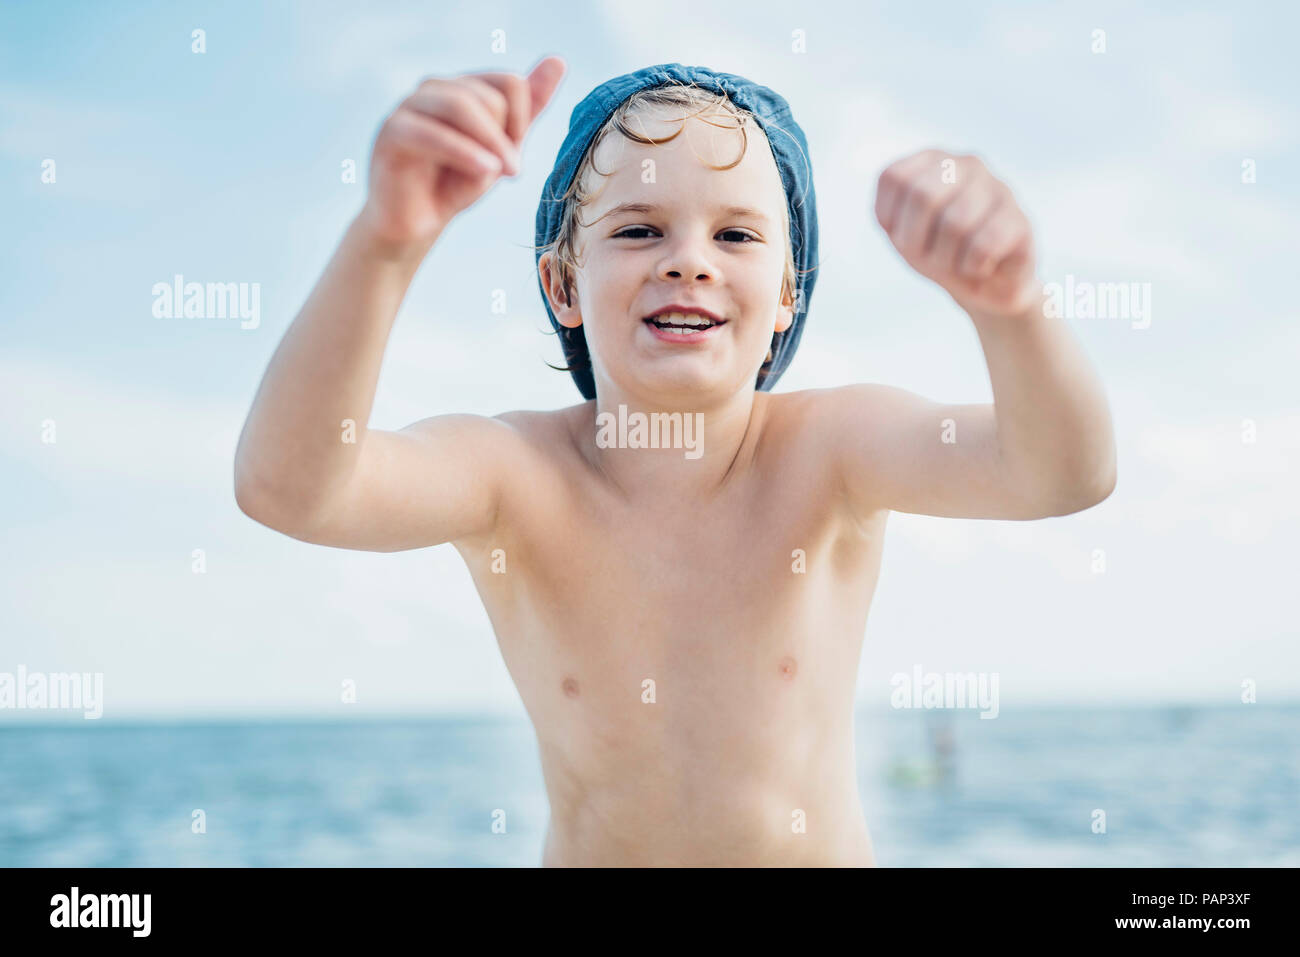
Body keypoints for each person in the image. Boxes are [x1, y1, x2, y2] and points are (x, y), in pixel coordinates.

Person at [233, 55, 1116, 866]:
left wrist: (1011, 309)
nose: (688, 261)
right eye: (638, 230)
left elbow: (1061, 472)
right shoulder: (515, 476)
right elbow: (293, 490)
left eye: (735, 236)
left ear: (785, 296)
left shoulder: (830, 452)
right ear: (563, 285)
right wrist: (385, 245)